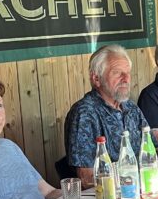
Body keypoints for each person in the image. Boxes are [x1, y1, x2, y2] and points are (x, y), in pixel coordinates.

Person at [64, 44, 150, 183]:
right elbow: (86, 178)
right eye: (117, 72)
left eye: (127, 72)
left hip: (144, 186)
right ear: (96, 79)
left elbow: (152, 154)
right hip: (111, 193)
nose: (126, 79)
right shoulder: (84, 113)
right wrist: (129, 181)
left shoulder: (131, 108)